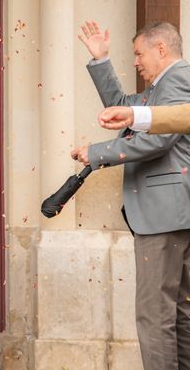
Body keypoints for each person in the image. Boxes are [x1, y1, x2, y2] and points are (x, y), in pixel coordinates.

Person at [73, 20, 190, 370]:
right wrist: (100, 59)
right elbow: (127, 111)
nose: (136, 61)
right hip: (173, 213)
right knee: (180, 311)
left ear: (161, 50)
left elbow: (157, 138)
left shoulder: (178, 79)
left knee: (154, 315)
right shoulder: (161, 86)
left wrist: (96, 154)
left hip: (164, 215)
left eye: (139, 54)